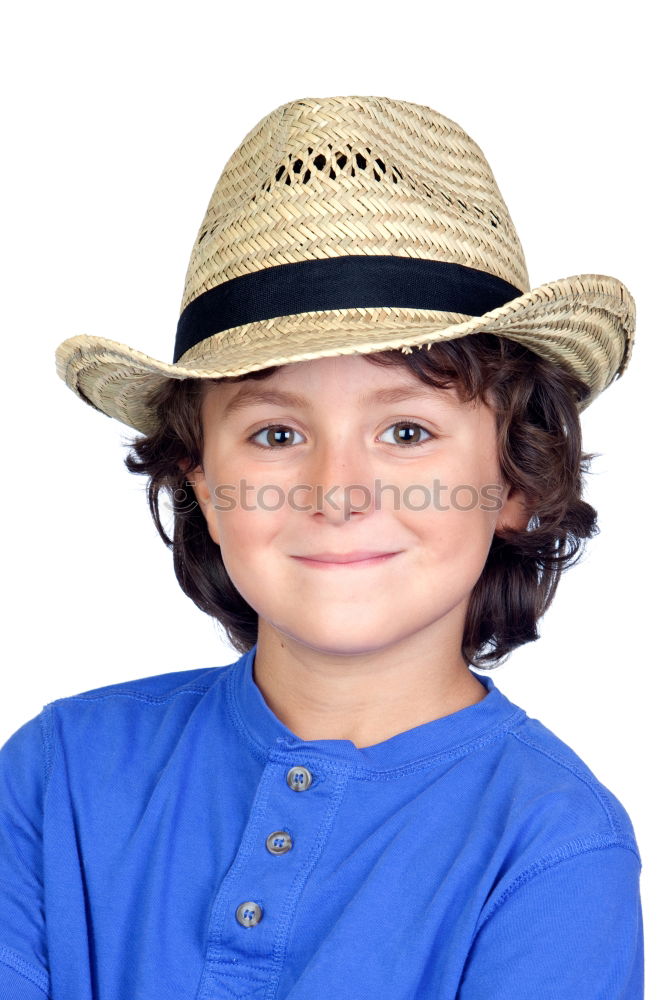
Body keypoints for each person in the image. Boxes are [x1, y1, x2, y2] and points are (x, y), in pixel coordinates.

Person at [1, 95, 642, 998]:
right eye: (274, 436)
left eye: (409, 432)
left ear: (517, 481)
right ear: (199, 484)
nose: (337, 493)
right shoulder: (57, 773)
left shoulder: (554, 846)